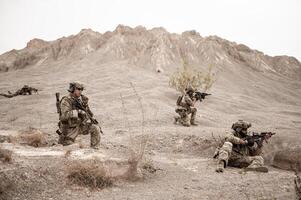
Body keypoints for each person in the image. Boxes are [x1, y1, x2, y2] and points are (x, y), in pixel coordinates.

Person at [57, 82, 101, 149]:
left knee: (95, 128)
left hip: (79, 126)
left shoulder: (79, 100)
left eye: (81, 90)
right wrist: (78, 111)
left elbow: (90, 115)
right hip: (69, 129)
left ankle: (94, 149)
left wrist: (85, 105)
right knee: (68, 147)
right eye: (78, 89)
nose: (80, 91)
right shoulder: (66, 101)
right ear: (72, 89)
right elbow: (63, 117)